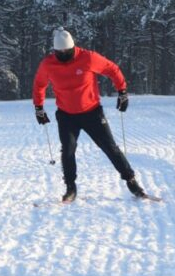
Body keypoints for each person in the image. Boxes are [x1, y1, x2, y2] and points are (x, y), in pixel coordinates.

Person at [32, 27, 149, 203]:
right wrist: (38, 107)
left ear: (73, 47)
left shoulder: (88, 58)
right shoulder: (48, 64)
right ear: (55, 51)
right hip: (66, 115)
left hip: (92, 112)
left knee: (110, 147)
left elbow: (112, 69)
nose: (64, 54)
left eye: (67, 51)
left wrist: (122, 91)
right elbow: (39, 84)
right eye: (60, 52)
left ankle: (132, 182)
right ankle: (70, 188)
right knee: (68, 150)